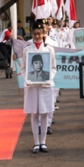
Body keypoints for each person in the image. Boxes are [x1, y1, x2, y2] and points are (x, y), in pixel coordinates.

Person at [22, 20, 57, 153]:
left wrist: (49, 78)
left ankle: (43, 142)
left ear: (44, 34)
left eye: (39, 33)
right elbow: (24, 68)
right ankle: (36, 143)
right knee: (34, 114)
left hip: (45, 85)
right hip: (31, 86)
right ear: (32, 34)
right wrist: (27, 79)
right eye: (35, 34)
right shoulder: (27, 50)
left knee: (44, 113)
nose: (37, 36)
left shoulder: (49, 49)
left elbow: (53, 68)